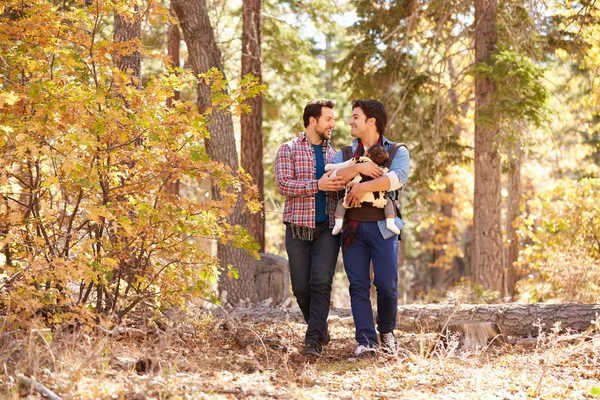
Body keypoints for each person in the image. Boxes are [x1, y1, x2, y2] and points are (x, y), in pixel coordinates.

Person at [331, 99, 410, 358]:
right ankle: (367, 342)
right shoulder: (344, 154)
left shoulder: (397, 150)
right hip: (352, 229)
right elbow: (332, 178)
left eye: (355, 117)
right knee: (358, 285)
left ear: (371, 121)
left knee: (387, 284)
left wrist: (362, 186)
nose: (350, 121)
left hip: (383, 228)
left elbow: (396, 179)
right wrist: (359, 168)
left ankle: (387, 332)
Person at [274, 99, 345, 357]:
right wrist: (318, 186)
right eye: (328, 119)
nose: (333, 124)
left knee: (321, 282)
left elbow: (339, 191)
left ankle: (313, 339)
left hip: (327, 228)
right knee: (301, 287)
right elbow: (284, 185)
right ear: (312, 121)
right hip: (298, 228)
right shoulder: (288, 149)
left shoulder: (334, 155)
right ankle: (320, 327)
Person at [324, 144, 400, 236]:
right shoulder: (381, 169)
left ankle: (338, 224)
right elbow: (392, 178)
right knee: (388, 202)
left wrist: (329, 166)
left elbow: (342, 165)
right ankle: (390, 223)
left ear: (366, 153)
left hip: (352, 198)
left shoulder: (357, 160)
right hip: (377, 199)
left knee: (341, 203)